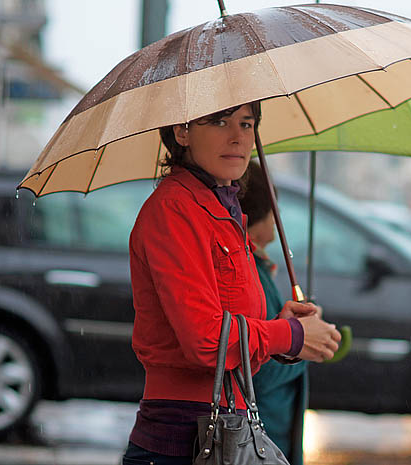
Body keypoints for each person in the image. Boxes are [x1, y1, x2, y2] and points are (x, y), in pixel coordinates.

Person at [122, 102, 341, 465]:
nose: (238, 137)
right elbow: (207, 341)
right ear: (182, 132)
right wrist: (291, 335)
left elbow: (230, 328)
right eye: (220, 122)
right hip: (182, 439)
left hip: (223, 426)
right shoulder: (176, 208)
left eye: (247, 123)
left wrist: (281, 326)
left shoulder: (221, 208)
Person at [241, 161, 308, 465]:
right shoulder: (250, 272)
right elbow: (259, 370)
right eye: (274, 209)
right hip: (261, 439)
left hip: (267, 436)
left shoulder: (257, 266)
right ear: (262, 214)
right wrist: (304, 344)